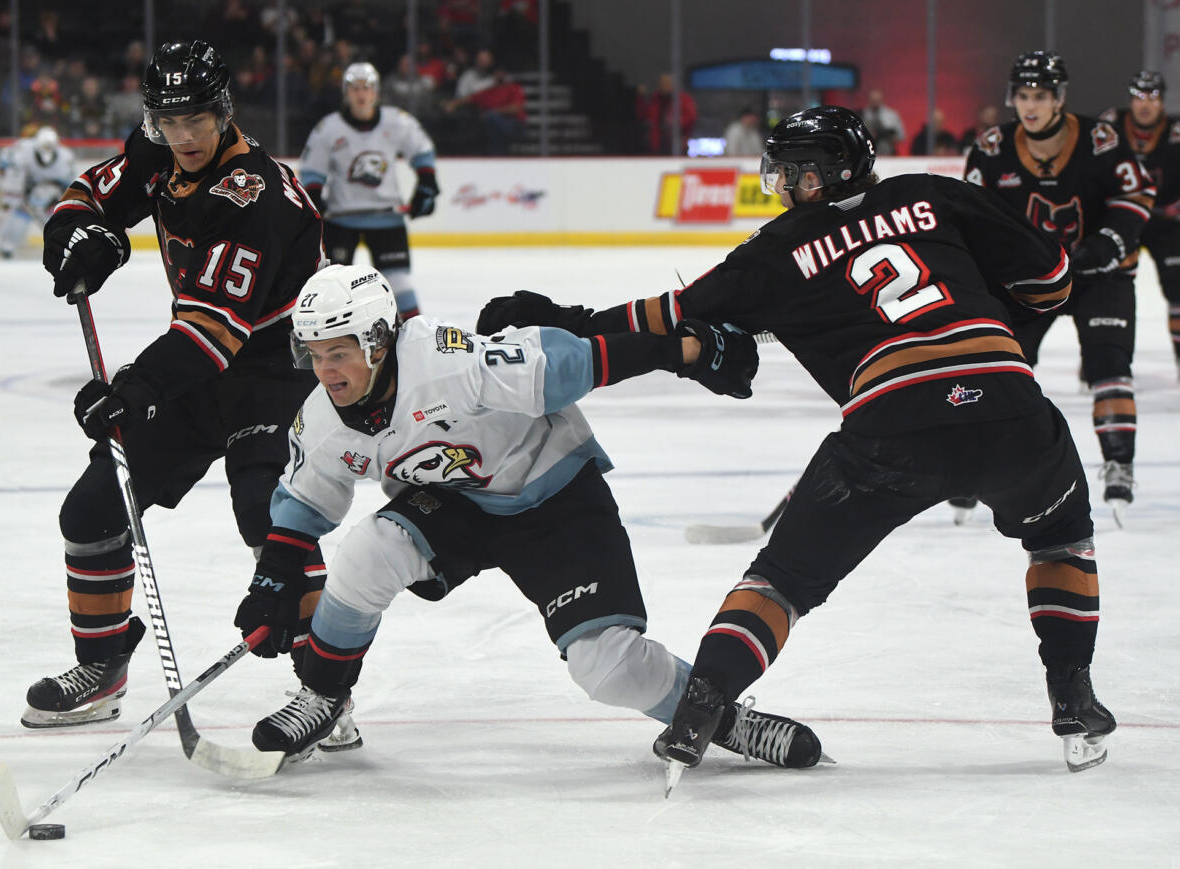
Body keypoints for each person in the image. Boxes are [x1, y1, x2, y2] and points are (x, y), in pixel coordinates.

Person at [475, 106, 1116, 787]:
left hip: (888, 429)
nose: (778, 182)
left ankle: (700, 709)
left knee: (780, 582)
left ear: (824, 174)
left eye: (788, 171)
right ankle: (1073, 693)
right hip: (1009, 409)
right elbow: (1053, 280)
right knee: (1059, 540)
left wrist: (569, 322)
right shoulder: (935, 192)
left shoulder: (776, 252)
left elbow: (671, 315)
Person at [232, 262, 824, 774]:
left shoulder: (448, 363)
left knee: (606, 668)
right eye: (314, 355)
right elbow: (306, 501)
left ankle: (722, 719)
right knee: (368, 551)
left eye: (339, 353)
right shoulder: (325, 417)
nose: (327, 371)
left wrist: (687, 351)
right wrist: (276, 574)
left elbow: (574, 362)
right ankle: (323, 696)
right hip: (458, 503)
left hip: (555, 494)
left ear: (380, 342)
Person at [21, 41, 326, 730]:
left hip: (279, 371)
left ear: (224, 111)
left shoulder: (256, 196)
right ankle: (103, 668)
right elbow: (93, 193)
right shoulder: (159, 147)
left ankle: (325, 686)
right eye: (168, 119)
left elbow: (215, 329)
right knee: (93, 509)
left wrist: (133, 388)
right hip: (203, 367)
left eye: (197, 120)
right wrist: (77, 236)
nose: (183, 136)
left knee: (267, 510)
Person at [963, 51, 1155, 526]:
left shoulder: (1101, 139)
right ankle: (983, 463)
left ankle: (1119, 463)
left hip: (1100, 274)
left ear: (1059, 98)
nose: (1030, 106)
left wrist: (1111, 240)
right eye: (1023, 96)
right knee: (1003, 367)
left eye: (1041, 96)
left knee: (1110, 365)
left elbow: (1135, 194)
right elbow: (969, 213)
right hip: (1031, 280)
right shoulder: (991, 149)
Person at [299, 61, 438, 319]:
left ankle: (417, 339)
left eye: (367, 87)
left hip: (387, 219)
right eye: (355, 88)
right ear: (345, 92)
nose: (361, 94)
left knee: (400, 287)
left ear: (376, 91)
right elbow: (311, 171)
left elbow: (422, 151)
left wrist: (427, 184)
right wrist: (315, 196)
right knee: (330, 289)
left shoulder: (397, 122)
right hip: (340, 221)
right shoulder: (328, 128)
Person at [1100, 71, 1180, 379]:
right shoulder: (1110, 125)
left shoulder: (1175, 131)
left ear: (1162, 102)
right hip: (1124, 218)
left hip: (1165, 221)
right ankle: (1099, 355)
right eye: (1139, 97)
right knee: (1104, 287)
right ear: (1130, 99)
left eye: (1152, 98)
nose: (1145, 105)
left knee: (1177, 287)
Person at [0, 125, 74, 258]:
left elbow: (70, 185)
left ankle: (63, 246)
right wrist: (3, 166)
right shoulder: (23, 149)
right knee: (19, 214)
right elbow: (6, 157)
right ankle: (7, 245)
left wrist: (58, 201)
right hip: (26, 187)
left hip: (50, 193)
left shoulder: (65, 158)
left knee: (57, 218)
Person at [861, 88, 905, 155]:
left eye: (877, 100)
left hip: (887, 153)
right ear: (869, 100)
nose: (875, 102)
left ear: (882, 100)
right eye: (873, 100)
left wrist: (888, 136)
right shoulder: (862, 114)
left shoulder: (891, 115)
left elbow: (901, 136)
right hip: (866, 153)